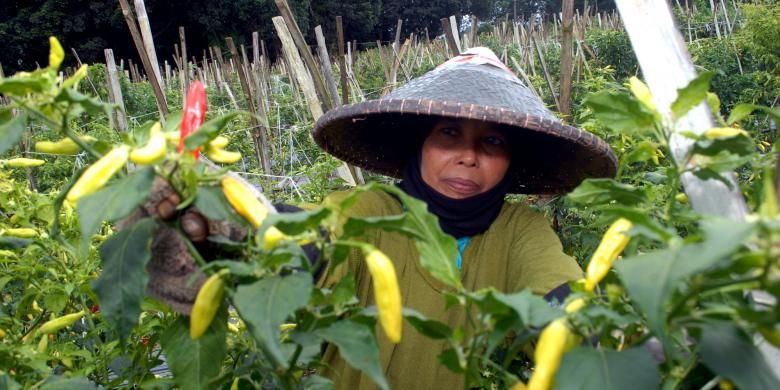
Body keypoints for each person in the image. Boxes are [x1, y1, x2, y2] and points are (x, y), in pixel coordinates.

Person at [310, 47, 617, 389]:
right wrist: (274, 234)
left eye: (492, 140)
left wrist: (589, 333)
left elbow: (553, 284)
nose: (469, 156)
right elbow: (322, 231)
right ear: (419, 143)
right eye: (449, 133)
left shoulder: (517, 229)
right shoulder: (373, 212)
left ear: (511, 159)